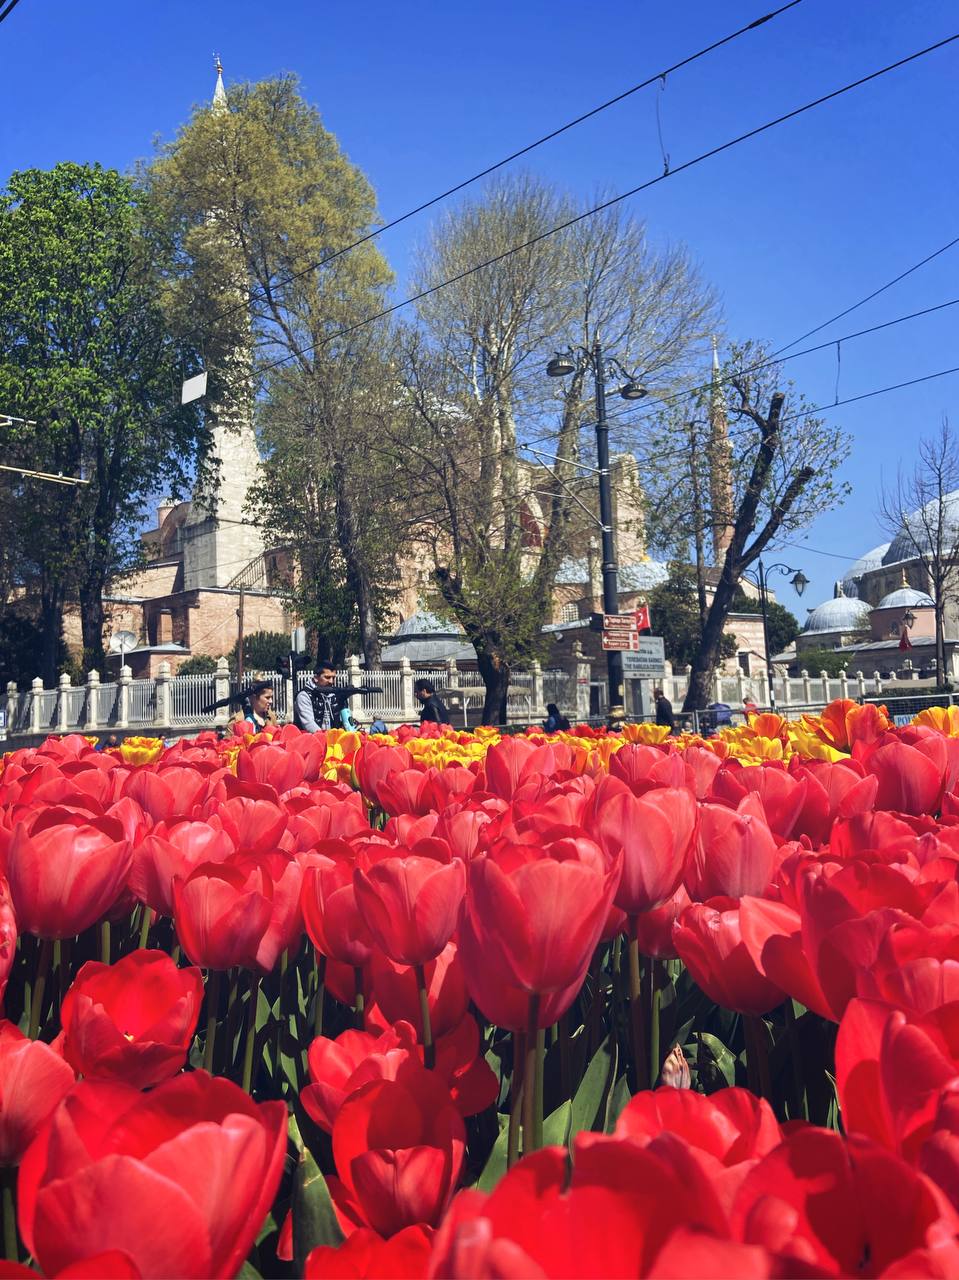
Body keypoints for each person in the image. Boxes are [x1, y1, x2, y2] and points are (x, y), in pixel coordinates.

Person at [294, 663, 353, 732]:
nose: (331, 681)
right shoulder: (304, 695)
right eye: (327, 677)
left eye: (333, 678)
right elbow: (308, 724)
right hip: (312, 740)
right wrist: (326, 738)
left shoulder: (337, 694)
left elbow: (347, 723)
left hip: (334, 739)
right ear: (316, 678)